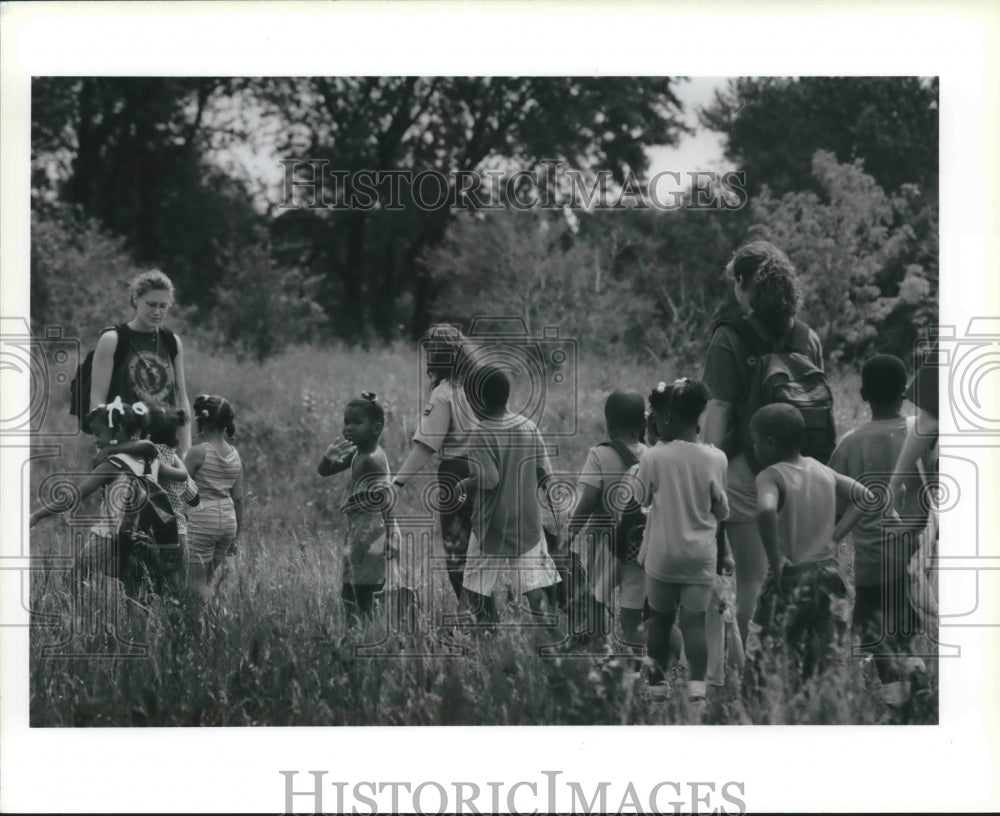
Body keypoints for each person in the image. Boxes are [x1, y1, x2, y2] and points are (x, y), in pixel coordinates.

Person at [701, 240, 825, 647]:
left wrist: (707, 473)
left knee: (754, 579)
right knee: (802, 572)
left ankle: (755, 673)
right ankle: (801, 662)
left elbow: (718, 408)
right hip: (804, 475)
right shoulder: (808, 338)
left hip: (745, 473)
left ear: (742, 283)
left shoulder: (729, 337)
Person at [743, 404, 878, 717]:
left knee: (762, 653)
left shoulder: (770, 476)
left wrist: (775, 562)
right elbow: (867, 496)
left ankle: (754, 716)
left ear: (770, 443)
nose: (753, 446)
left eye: (755, 440)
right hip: (830, 578)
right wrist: (835, 536)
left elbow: (765, 510)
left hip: (791, 577)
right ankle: (815, 714)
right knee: (822, 660)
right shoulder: (822, 470)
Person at [828, 355, 930, 717]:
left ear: (863, 394)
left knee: (874, 632)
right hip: (917, 555)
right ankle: (916, 667)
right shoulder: (922, 431)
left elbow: (837, 506)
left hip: (873, 560)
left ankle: (895, 698)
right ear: (905, 393)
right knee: (906, 622)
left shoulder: (849, 445)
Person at [636, 379, 729, 718]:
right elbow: (721, 509)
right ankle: (697, 693)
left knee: (659, 622)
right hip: (701, 556)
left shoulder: (654, 456)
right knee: (694, 624)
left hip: (662, 555)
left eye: (657, 416)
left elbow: (640, 498)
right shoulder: (716, 458)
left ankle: (657, 688)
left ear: (669, 418)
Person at [455, 367, 561, 629]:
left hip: (491, 525)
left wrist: (464, 484)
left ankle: (457, 633)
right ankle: (550, 634)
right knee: (535, 585)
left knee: (474, 584)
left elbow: (489, 479)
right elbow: (545, 473)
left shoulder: (481, 434)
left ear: (476, 401)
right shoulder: (529, 426)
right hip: (527, 522)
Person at [30, 400, 160, 584]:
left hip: (109, 535)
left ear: (118, 430)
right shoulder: (149, 460)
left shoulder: (111, 464)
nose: (95, 439)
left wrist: (37, 515)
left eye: (98, 433)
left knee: (76, 578)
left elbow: (73, 497)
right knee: (135, 590)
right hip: (143, 535)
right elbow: (148, 446)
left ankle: (77, 612)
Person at [391, 324, 476, 603]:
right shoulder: (480, 387)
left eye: (431, 353)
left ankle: (472, 618)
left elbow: (426, 446)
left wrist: (396, 483)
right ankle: (488, 617)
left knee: (457, 554)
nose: (427, 360)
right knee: (485, 552)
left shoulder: (444, 393)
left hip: (456, 474)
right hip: (489, 471)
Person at [319, 392, 415, 629]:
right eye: (347, 422)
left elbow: (387, 500)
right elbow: (324, 471)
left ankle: (367, 633)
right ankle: (354, 632)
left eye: (357, 423)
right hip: (357, 528)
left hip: (372, 529)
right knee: (350, 586)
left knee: (365, 590)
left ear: (376, 428)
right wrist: (327, 457)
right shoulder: (357, 453)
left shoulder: (372, 460)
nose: (349, 428)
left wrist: (392, 534)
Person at [564, 390, 648, 650]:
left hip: (605, 543)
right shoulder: (652, 455)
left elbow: (589, 501)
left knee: (596, 596)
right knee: (635, 600)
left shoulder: (599, 454)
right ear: (643, 424)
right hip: (638, 544)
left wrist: (569, 534)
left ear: (608, 425)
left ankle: (602, 644)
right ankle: (636, 646)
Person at [89, 269, 193, 454]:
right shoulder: (113, 340)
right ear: (136, 299)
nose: (157, 312)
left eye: (163, 306)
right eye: (151, 305)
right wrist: (104, 451)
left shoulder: (172, 342)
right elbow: (98, 401)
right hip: (124, 448)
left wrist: (185, 450)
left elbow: (181, 398)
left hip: (164, 448)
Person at [184, 395, 244, 603]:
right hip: (228, 521)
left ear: (202, 420)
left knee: (194, 583)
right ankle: (204, 628)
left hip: (203, 519)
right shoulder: (235, 455)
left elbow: (180, 486)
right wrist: (236, 537)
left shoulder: (198, 452)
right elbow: (238, 498)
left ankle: (218, 616)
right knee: (206, 580)